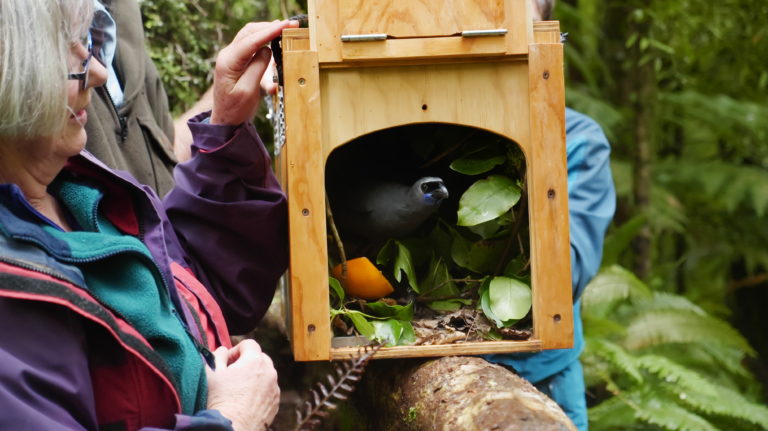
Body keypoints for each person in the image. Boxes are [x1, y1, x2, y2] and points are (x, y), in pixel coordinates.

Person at [0, 0, 294, 429]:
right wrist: (233, 417)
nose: (97, 74)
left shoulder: (78, 191)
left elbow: (189, 285)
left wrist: (224, 129)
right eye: (70, 58)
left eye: (87, 46)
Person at [484, 1, 617, 430]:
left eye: (525, 32)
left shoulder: (577, 139)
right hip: (426, 370)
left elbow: (568, 276)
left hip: (544, 379)